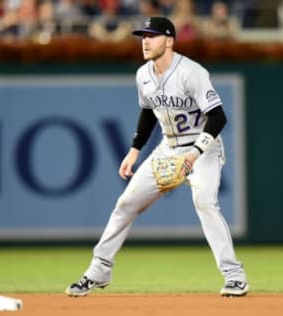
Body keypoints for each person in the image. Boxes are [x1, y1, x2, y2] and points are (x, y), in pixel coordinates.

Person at [65, 16, 249, 298]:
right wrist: (135, 150)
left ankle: (235, 276)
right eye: (143, 35)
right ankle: (99, 270)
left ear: (170, 40)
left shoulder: (191, 72)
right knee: (126, 204)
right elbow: (148, 112)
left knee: (205, 203)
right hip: (168, 147)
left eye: (152, 35)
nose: (145, 41)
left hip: (203, 148)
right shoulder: (143, 75)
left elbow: (218, 117)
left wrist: (194, 153)